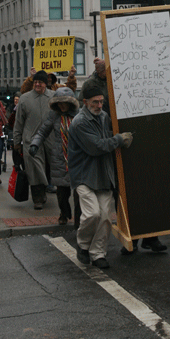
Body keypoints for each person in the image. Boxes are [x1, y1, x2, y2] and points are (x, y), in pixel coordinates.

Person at [68, 86, 133, 269]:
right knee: (92, 213)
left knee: (105, 216)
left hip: (103, 174)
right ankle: (83, 245)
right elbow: (95, 147)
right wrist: (119, 140)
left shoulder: (103, 116)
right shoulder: (80, 122)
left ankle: (98, 254)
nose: (99, 105)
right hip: (83, 175)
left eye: (101, 101)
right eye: (95, 102)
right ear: (85, 102)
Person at [29, 87, 79, 225]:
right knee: (62, 194)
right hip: (59, 158)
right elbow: (42, 132)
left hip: (77, 158)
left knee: (79, 194)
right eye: (59, 103)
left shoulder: (79, 115)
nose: (62, 105)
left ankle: (79, 221)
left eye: (65, 102)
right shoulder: (54, 116)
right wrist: (35, 144)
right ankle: (64, 212)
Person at [13, 70, 54, 209]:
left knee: (49, 167)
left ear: (46, 83)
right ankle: (38, 198)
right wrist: (17, 142)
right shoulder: (24, 99)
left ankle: (47, 189)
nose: (37, 84)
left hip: (50, 140)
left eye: (40, 82)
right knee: (34, 170)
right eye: (35, 82)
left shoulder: (53, 97)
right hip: (31, 140)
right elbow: (18, 122)